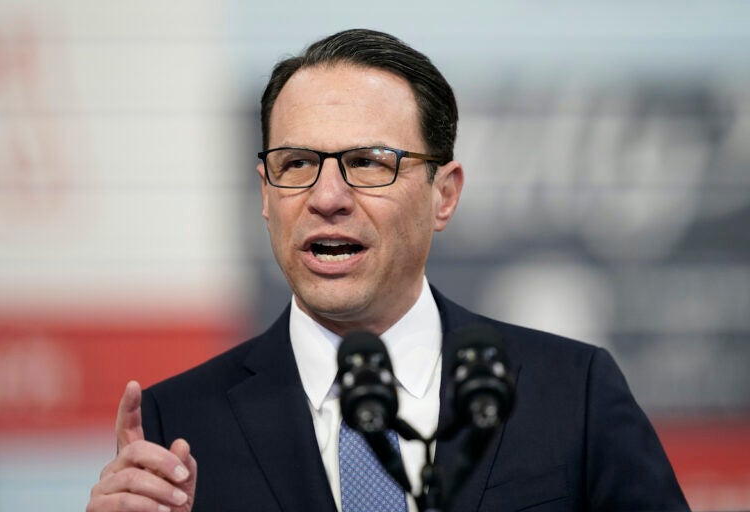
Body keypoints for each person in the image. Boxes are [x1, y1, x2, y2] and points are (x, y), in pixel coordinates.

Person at [86, 28, 689, 512]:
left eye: (368, 162)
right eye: (296, 162)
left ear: (443, 195)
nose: (327, 197)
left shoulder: (571, 393)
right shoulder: (180, 428)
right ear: (266, 195)